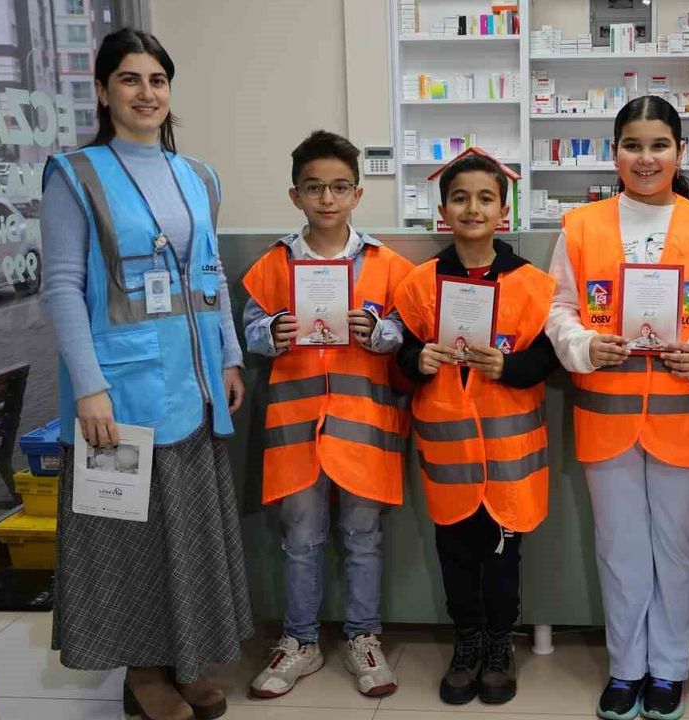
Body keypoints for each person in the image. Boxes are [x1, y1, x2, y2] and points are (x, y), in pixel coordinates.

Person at [40, 28, 250, 720]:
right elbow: (61, 287)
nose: (146, 93)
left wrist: (228, 356)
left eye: (157, 80)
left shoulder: (199, 177)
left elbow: (212, 275)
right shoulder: (75, 175)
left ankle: (186, 662)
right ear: (104, 92)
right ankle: (143, 672)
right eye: (129, 79)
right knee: (128, 537)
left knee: (185, 536)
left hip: (192, 386)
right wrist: (89, 386)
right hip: (120, 392)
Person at [546, 95, 689, 720]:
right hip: (606, 414)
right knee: (619, 544)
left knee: (678, 545)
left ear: (681, 152)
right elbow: (559, 307)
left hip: (685, 413)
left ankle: (670, 669)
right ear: (614, 154)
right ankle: (626, 667)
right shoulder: (581, 227)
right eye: (632, 145)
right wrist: (583, 344)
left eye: (659, 145)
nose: (646, 158)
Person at [240, 130, 414, 700]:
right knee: (301, 538)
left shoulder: (387, 265)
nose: (327, 199)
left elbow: (405, 333)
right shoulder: (275, 264)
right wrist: (272, 332)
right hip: (296, 427)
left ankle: (364, 636)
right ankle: (300, 641)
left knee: (363, 537)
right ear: (295, 196)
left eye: (340, 187)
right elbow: (249, 328)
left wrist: (379, 332)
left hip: (363, 425)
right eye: (314, 188)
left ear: (358, 194)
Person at [394, 150, 559, 706]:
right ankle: (466, 639)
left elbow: (547, 359)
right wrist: (419, 360)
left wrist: (508, 366)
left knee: (504, 556)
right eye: (460, 198)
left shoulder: (533, 284)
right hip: (449, 454)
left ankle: (498, 643)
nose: (472, 208)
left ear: (503, 210)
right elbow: (402, 354)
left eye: (485, 198)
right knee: (456, 552)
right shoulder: (419, 283)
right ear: (442, 210)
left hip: (510, 457)